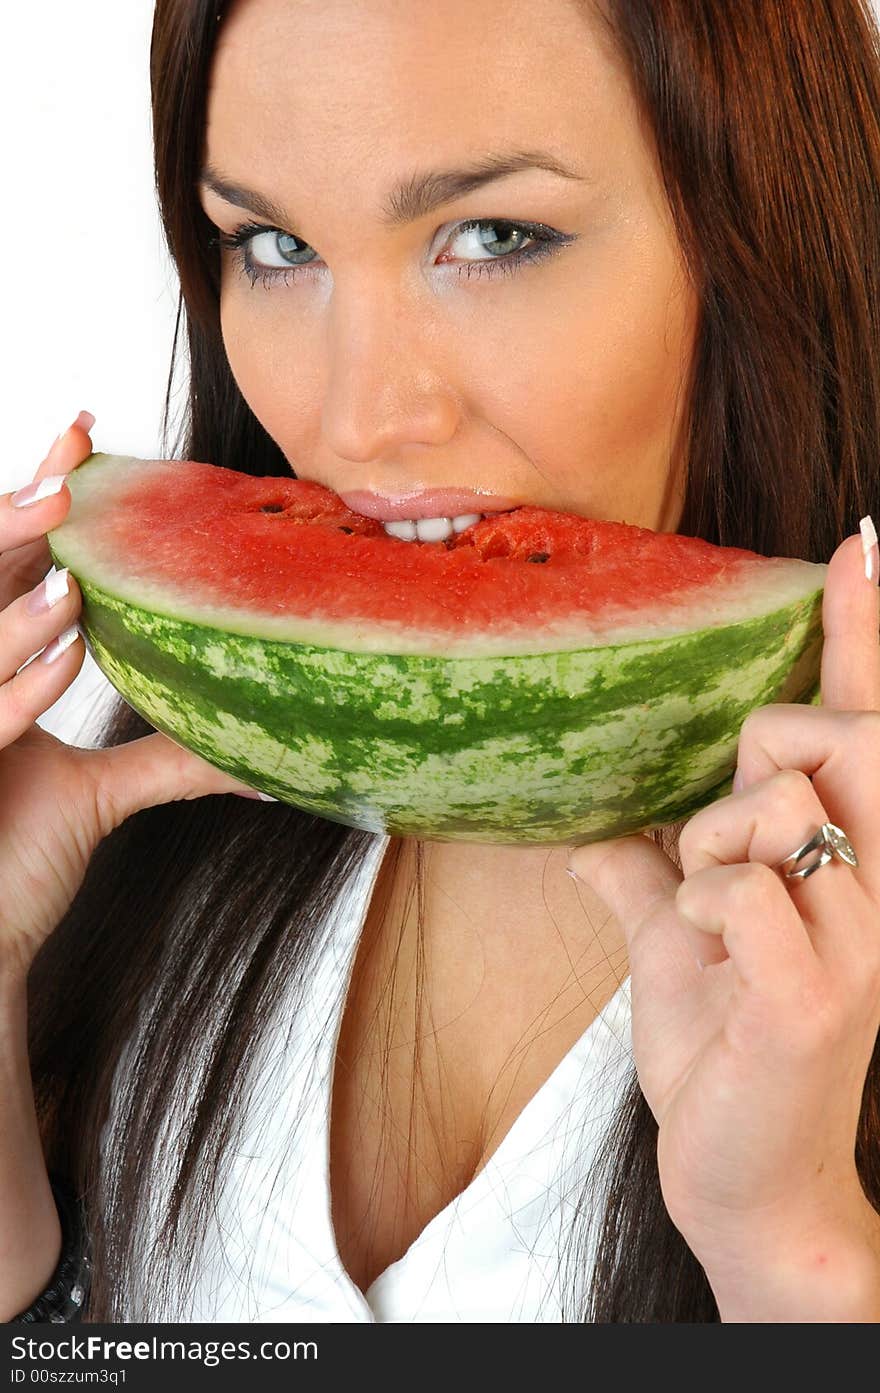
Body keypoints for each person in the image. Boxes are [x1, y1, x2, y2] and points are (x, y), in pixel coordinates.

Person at [3, 0, 880, 1324]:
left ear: (761, 234)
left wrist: (789, 1242)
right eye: (275, 244)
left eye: (495, 236)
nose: (357, 415)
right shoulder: (150, 813)